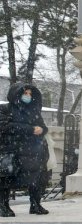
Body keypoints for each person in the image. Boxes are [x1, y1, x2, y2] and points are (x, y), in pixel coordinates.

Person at [6, 84, 49, 215]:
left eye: (30, 94)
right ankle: (3, 206)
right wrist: (30, 129)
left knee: (36, 179)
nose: (28, 96)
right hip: (12, 150)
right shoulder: (6, 109)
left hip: (33, 151)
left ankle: (35, 204)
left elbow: (43, 127)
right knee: (7, 179)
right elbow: (6, 126)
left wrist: (41, 130)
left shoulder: (34, 111)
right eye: (25, 93)